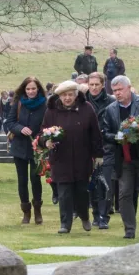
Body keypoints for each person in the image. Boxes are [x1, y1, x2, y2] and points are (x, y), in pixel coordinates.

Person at [101, 75, 139, 239]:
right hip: (123, 158)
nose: (118, 93)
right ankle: (129, 229)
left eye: (120, 89)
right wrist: (118, 137)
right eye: (114, 91)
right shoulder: (110, 109)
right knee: (125, 193)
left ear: (129, 88)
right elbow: (106, 133)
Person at [40, 81, 103, 234]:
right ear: (59, 96)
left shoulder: (86, 108)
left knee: (81, 192)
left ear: (76, 95)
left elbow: (95, 133)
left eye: (70, 95)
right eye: (64, 95)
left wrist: (99, 154)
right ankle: (65, 224)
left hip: (82, 158)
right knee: (64, 193)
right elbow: (43, 132)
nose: (67, 98)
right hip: (60, 158)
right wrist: (45, 141)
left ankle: (84, 216)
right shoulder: (51, 111)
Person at [6, 76, 48, 224]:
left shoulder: (45, 104)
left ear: (38, 89)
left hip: (37, 148)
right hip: (19, 147)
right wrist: (20, 128)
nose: (31, 91)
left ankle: (38, 211)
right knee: (22, 180)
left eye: (33, 88)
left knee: (35, 179)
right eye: (28, 89)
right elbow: (10, 122)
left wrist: (40, 138)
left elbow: (47, 125)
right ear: (24, 89)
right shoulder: (18, 103)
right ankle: (26, 211)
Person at [86, 72, 116, 228]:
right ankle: (96, 214)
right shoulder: (83, 101)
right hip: (87, 148)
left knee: (105, 182)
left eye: (97, 84)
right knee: (91, 183)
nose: (94, 87)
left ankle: (104, 216)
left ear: (103, 85)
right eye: (91, 84)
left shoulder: (111, 102)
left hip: (107, 147)